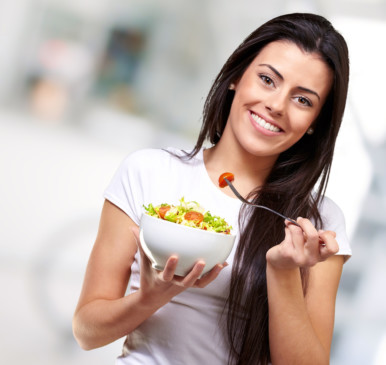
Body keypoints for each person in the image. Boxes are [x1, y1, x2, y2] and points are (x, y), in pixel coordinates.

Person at [72, 13, 352, 365]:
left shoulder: (319, 223)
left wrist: (283, 273)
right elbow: (86, 332)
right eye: (267, 80)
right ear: (236, 76)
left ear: (316, 123)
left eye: (303, 100)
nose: (277, 106)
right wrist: (150, 297)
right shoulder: (149, 171)